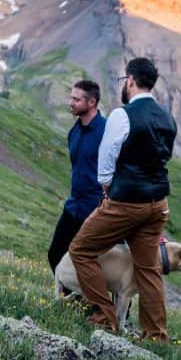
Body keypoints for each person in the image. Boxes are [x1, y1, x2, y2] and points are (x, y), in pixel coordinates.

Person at [69, 57, 177, 341]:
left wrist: (107, 189)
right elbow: (165, 156)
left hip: (126, 201)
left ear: (130, 80)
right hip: (158, 203)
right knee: (148, 268)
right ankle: (156, 335)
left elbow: (106, 160)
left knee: (81, 249)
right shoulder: (167, 116)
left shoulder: (122, 114)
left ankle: (105, 319)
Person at [47, 80, 106, 273]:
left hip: (96, 208)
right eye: (71, 97)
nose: (70, 103)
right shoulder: (75, 130)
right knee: (55, 254)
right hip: (74, 205)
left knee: (92, 262)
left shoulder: (105, 131)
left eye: (76, 99)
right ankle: (72, 300)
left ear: (91, 102)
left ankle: (93, 301)